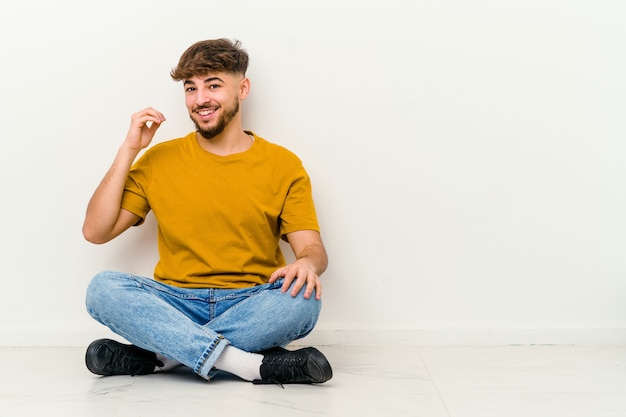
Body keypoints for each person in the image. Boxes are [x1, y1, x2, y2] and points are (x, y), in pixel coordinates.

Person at [82, 38, 332, 385]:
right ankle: (249, 365)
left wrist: (307, 263)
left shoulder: (284, 165)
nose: (200, 99)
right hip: (175, 300)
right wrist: (129, 149)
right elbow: (96, 231)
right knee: (102, 289)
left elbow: (312, 249)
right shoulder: (158, 160)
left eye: (213, 85)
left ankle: (163, 356)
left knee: (303, 300)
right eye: (191, 88)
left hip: (251, 299)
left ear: (242, 88)